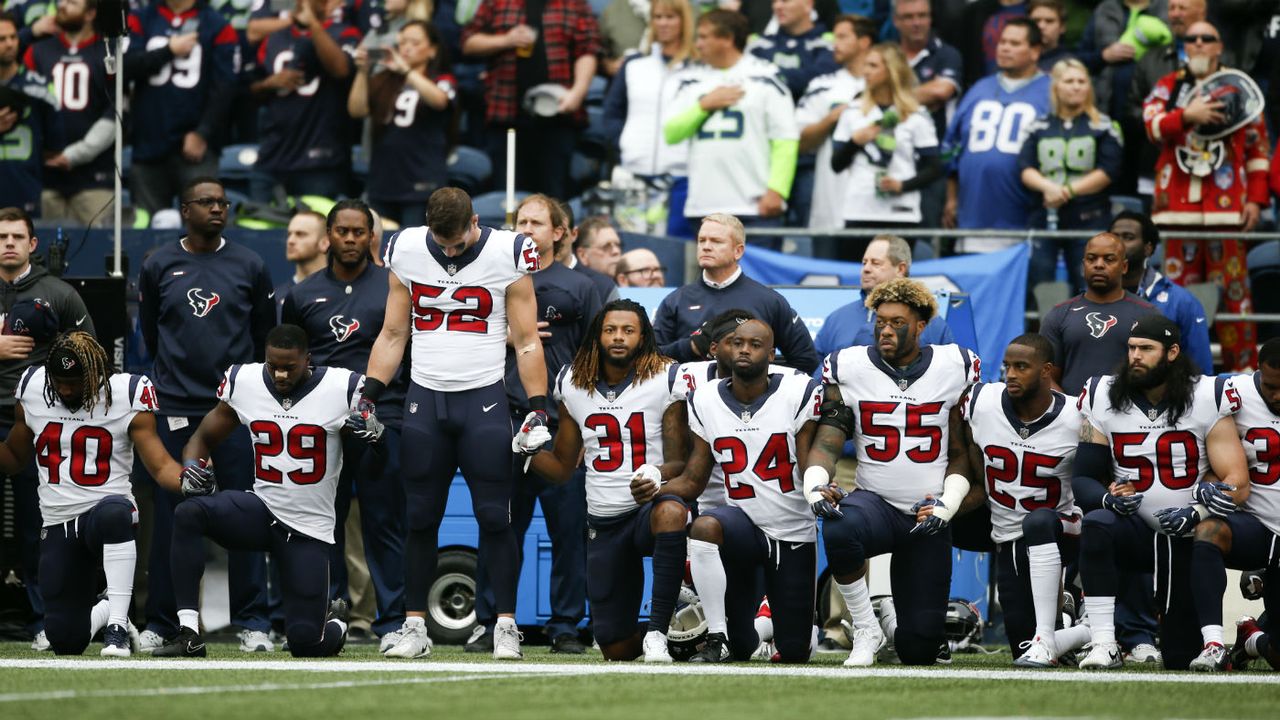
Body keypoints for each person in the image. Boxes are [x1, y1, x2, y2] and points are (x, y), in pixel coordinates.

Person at [365, 187, 547, 661]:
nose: (448, 252)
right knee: (420, 517)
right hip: (425, 396)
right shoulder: (404, 248)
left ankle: (505, 625)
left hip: (483, 397)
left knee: (495, 516)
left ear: (474, 222)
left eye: (457, 242)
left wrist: (538, 404)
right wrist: (369, 392)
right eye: (440, 243)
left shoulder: (509, 250)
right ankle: (413, 626)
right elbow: (393, 332)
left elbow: (526, 340)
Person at [153, 324, 366, 658]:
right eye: (273, 365)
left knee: (306, 644)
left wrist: (374, 433)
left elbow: (375, 443)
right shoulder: (247, 381)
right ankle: (188, 632)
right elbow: (202, 437)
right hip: (262, 510)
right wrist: (193, 465)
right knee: (189, 512)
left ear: (308, 359)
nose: (280, 374)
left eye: (289, 367)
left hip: (308, 529)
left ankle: (335, 621)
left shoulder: (342, 386)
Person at [807, 278, 981, 666]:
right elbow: (828, 438)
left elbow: (961, 452)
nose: (885, 329)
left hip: (928, 513)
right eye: (880, 321)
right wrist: (816, 485)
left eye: (897, 322)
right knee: (839, 524)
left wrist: (946, 504)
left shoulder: (955, 366)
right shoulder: (848, 366)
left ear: (921, 326)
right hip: (876, 506)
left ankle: (891, 618)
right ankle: (866, 625)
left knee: (918, 651)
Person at [137, 177, 276, 653]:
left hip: (235, 410)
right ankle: (163, 622)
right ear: (184, 209)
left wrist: (242, 391)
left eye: (223, 203)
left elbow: (263, 336)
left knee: (246, 514)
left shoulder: (250, 264)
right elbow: (150, 336)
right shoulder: (159, 264)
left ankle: (253, 621)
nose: (217, 209)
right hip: (176, 407)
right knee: (173, 521)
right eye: (207, 202)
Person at [1074, 314, 1249, 670]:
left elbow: (1237, 481)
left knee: (1179, 656)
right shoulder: (1103, 393)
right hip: (1132, 528)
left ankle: (1211, 640)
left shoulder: (1206, 394)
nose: (1135, 356)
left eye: (1146, 349)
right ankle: (1104, 643)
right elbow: (1083, 478)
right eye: (1131, 348)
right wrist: (1110, 499)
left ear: (1172, 352)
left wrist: (1200, 510)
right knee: (1096, 522)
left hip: (1183, 534)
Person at [0, 332, 191, 656]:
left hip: (107, 512)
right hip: (59, 521)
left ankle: (117, 623)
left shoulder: (126, 393)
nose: (65, 389)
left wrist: (190, 482)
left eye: (74, 382)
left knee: (116, 512)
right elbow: (15, 458)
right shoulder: (33, 388)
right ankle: (105, 609)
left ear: (98, 376)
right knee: (65, 640)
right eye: (59, 381)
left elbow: (160, 467)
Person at [468, 194, 600, 655]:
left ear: (559, 233)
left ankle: (566, 625)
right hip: (501, 418)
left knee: (568, 532)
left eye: (537, 222)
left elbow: (596, 362)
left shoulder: (579, 286)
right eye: (520, 221)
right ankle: (491, 622)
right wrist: (506, 335)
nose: (527, 228)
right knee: (500, 527)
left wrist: (585, 428)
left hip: (561, 425)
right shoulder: (490, 278)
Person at [531, 300, 689, 661]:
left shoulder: (665, 377)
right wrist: (525, 453)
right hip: (603, 518)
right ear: (597, 335)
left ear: (643, 336)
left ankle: (659, 633)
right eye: (611, 330)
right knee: (614, 648)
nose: (619, 338)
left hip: (647, 510)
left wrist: (657, 474)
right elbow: (562, 467)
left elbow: (680, 461)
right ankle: (681, 644)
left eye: (628, 331)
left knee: (671, 513)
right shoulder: (572, 382)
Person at [280, 200, 408, 647]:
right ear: (328, 237)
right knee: (320, 524)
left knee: (383, 522)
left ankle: (392, 622)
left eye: (359, 232)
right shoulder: (301, 294)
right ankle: (326, 614)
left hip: (381, 419)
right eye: (343, 231)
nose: (351, 239)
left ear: (372, 236)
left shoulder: (395, 288)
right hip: (320, 426)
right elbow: (289, 360)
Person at [658, 319, 822, 663]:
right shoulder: (704, 398)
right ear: (724, 349)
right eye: (737, 342)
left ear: (772, 354)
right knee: (704, 527)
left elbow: (809, 462)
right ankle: (718, 636)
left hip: (791, 533)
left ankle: (785, 628)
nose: (744, 349)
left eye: (754, 344)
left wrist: (823, 486)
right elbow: (694, 478)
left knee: (794, 653)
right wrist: (652, 488)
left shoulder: (797, 391)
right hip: (742, 528)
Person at [1143, 20, 1270, 372]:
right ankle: (1173, 373)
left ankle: (1242, 375)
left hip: (1225, 211)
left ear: (1219, 47)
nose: (1198, 44)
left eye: (1206, 38)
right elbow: (1150, 125)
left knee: (1234, 299)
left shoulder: (1239, 89)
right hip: (1174, 213)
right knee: (1173, 298)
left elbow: (1258, 150)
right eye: (1191, 39)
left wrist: (1256, 200)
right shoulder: (1169, 86)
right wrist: (1187, 116)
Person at [958, 334, 1091, 666]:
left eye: (1021, 367)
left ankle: (1084, 617)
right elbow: (964, 455)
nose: (1011, 374)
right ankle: (1081, 631)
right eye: (1007, 367)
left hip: (1059, 529)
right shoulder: (981, 402)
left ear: (1046, 371)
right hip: (1007, 533)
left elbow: (1097, 476)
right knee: (1022, 648)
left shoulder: (1077, 415)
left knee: (1039, 521)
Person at [0, 206, 95, 651]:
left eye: (18, 236)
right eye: (2, 236)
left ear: (33, 244)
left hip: (39, 420)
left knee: (37, 523)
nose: (9, 243)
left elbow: (91, 356)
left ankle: (44, 617)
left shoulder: (60, 293)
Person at [663, 10, 798, 243]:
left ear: (727, 39)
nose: (698, 44)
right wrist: (703, 106)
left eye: (705, 37)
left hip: (753, 205)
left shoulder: (765, 77)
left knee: (758, 279)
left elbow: (785, 139)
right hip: (704, 205)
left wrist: (777, 190)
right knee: (710, 279)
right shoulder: (690, 80)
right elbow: (671, 133)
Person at [461, 0, 601, 200]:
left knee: (555, 200)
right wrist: (505, 40)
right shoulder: (496, 2)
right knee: (508, 198)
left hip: (559, 117)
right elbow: (468, 42)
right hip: (507, 120)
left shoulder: (574, 3)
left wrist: (578, 92)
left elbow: (588, 50)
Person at [652, 214, 818, 372]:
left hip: (752, 401)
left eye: (716, 241)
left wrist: (761, 383)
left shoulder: (769, 301)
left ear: (738, 251)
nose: (706, 246)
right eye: (701, 240)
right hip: (688, 398)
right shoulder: (675, 300)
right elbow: (649, 361)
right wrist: (691, 347)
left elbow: (806, 360)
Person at [942, 18, 1050, 253]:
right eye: (1002, 42)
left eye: (1014, 43)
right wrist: (951, 199)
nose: (1004, 47)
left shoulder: (1051, 92)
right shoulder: (979, 89)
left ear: (1035, 51)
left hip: (1024, 219)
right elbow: (952, 148)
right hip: (972, 217)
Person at [1018, 58, 1124, 293]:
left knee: (1088, 285)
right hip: (1044, 218)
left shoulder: (1105, 126)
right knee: (1040, 285)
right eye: (1069, 81)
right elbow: (1025, 168)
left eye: (1081, 81)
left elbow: (1109, 171)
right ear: (1056, 87)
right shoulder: (1037, 126)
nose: (1076, 86)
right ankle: (1041, 330)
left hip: (1090, 219)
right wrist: (1048, 188)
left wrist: (1066, 191)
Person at [123, 0, 236, 214]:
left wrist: (203, 132)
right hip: (148, 142)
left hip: (196, 147)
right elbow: (124, 67)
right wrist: (169, 50)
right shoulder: (140, 18)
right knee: (147, 228)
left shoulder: (218, 25)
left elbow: (225, 88)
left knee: (203, 225)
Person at [830, 43, 940, 262]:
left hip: (901, 212)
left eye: (873, 66)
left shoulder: (915, 115)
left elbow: (935, 167)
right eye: (866, 65)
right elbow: (836, 165)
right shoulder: (853, 112)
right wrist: (854, 142)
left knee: (897, 286)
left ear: (891, 70)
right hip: (859, 210)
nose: (866, 71)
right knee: (859, 280)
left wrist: (903, 185)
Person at [601, 0, 696, 238]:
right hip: (633, 175)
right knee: (631, 248)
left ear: (684, 21)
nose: (663, 23)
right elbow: (612, 111)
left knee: (676, 251)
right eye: (658, 17)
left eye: (670, 17)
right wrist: (624, 143)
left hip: (681, 178)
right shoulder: (634, 65)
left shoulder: (698, 67)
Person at [348, 20, 455, 228]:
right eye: (403, 42)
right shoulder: (383, 79)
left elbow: (439, 100)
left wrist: (406, 70)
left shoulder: (442, 79)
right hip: (383, 179)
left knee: (415, 247)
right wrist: (362, 72)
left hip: (421, 180)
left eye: (415, 43)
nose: (406, 48)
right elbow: (357, 110)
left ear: (432, 50)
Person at [252, 0, 361, 199]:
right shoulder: (274, 38)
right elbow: (249, 87)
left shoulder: (345, 33)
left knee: (318, 227)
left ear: (328, 5)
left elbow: (341, 69)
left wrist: (313, 24)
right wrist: (269, 83)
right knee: (257, 226)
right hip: (272, 154)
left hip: (320, 160)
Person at [23, 0, 113, 226]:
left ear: (91, 12)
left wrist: (77, 153)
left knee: (97, 252)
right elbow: (25, 106)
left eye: (72, 2)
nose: (62, 5)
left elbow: (117, 111)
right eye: (60, 1)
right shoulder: (37, 51)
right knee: (42, 251)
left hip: (94, 179)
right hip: (45, 176)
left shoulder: (109, 52)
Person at [1222, 338, 1280, 672]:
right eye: (1271, 387)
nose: (1277, 396)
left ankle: (1252, 637)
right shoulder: (1231, 392)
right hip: (1255, 524)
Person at [1038, 232, 1157, 396]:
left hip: (1128, 416)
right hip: (1072, 416)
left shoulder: (1147, 314)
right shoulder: (1059, 314)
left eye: (1109, 259)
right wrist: (1072, 409)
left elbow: (1158, 375)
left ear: (1124, 267)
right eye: (1091, 258)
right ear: (1083, 265)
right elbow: (1045, 376)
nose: (1099, 265)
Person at [814, 235, 952, 358]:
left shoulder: (930, 323)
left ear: (900, 269)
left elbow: (949, 373)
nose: (866, 269)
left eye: (875, 263)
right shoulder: (837, 318)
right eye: (864, 263)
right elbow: (816, 371)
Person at [796, 13, 871, 236]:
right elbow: (799, 141)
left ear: (864, 42)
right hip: (830, 203)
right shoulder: (823, 85)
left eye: (842, 37)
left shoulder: (887, 86)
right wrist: (831, 119)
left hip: (876, 207)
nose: (833, 44)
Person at [1112, 210, 1213, 373]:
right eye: (1114, 237)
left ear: (1148, 248)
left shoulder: (1181, 301)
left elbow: (1199, 371)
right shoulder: (1093, 299)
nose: (1118, 244)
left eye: (1128, 237)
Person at [1127, 0, 1206, 202]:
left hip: (1206, 164)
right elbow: (1133, 109)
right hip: (1157, 159)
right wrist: (1169, 123)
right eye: (1171, 8)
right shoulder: (1150, 59)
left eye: (1182, 8)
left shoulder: (1225, 62)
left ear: (1201, 11)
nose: (1175, 14)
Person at [894, 0, 962, 231]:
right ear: (896, 21)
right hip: (893, 161)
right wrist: (922, 95)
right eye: (909, 17)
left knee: (929, 238)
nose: (917, 23)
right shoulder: (888, 53)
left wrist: (892, 98)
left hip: (934, 164)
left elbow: (941, 91)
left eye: (922, 16)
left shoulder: (947, 53)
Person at [0, 12, 61, 218]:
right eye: (2, 39)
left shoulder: (40, 89)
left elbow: (56, 145)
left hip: (25, 193)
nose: (9, 44)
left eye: (13, 37)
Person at [277, 211, 331, 315]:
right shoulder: (276, 297)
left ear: (325, 243)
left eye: (300, 234)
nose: (290, 241)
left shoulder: (342, 294)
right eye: (289, 234)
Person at [570, 215, 622, 302]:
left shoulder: (631, 285)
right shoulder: (573, 294)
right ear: (583, 255)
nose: (616, 251)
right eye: (606, 246)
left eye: (618, 245)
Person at [1029, 0, 1075, 71]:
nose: (1041, 26)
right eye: (1036, 21)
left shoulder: (1069, 65)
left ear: (1062, 27)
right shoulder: (1014, 58)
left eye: (1049, 21)